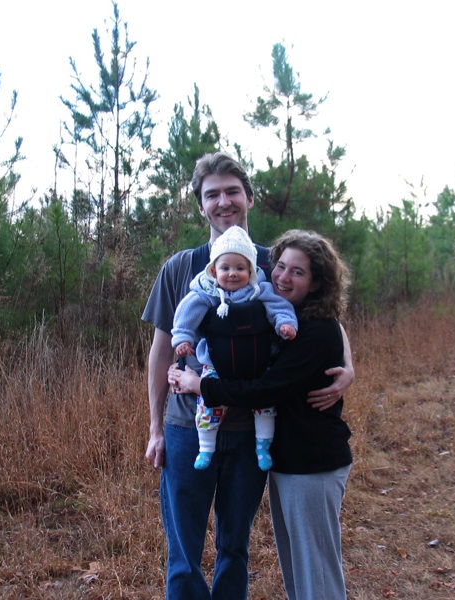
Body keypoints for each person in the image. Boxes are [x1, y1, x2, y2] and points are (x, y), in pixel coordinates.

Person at [142, 151, 354, 600]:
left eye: (232, 192)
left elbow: (323, 317)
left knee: (234, 549)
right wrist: (156, 428)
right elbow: (160, 351)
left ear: (250, 199)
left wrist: (348, 366)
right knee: (183, 553)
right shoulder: (179, 268)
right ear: (199, 204)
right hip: (187, 426)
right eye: (212, 194)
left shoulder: (270, 265)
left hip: (251, 430)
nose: (223, 202)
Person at [171, 224, 297, 471]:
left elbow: (279, 307)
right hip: (216, 365)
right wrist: (182, 338)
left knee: (265, 405)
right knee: (208, 403)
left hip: (257, 366)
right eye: (225, 267)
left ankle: (263, 446)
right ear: (213, 269)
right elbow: (186, 314)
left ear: (250, 269)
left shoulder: (259, 290)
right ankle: (206, 448)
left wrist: (285, 323)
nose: (232, 273)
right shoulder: (206, 292)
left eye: (240, 268)